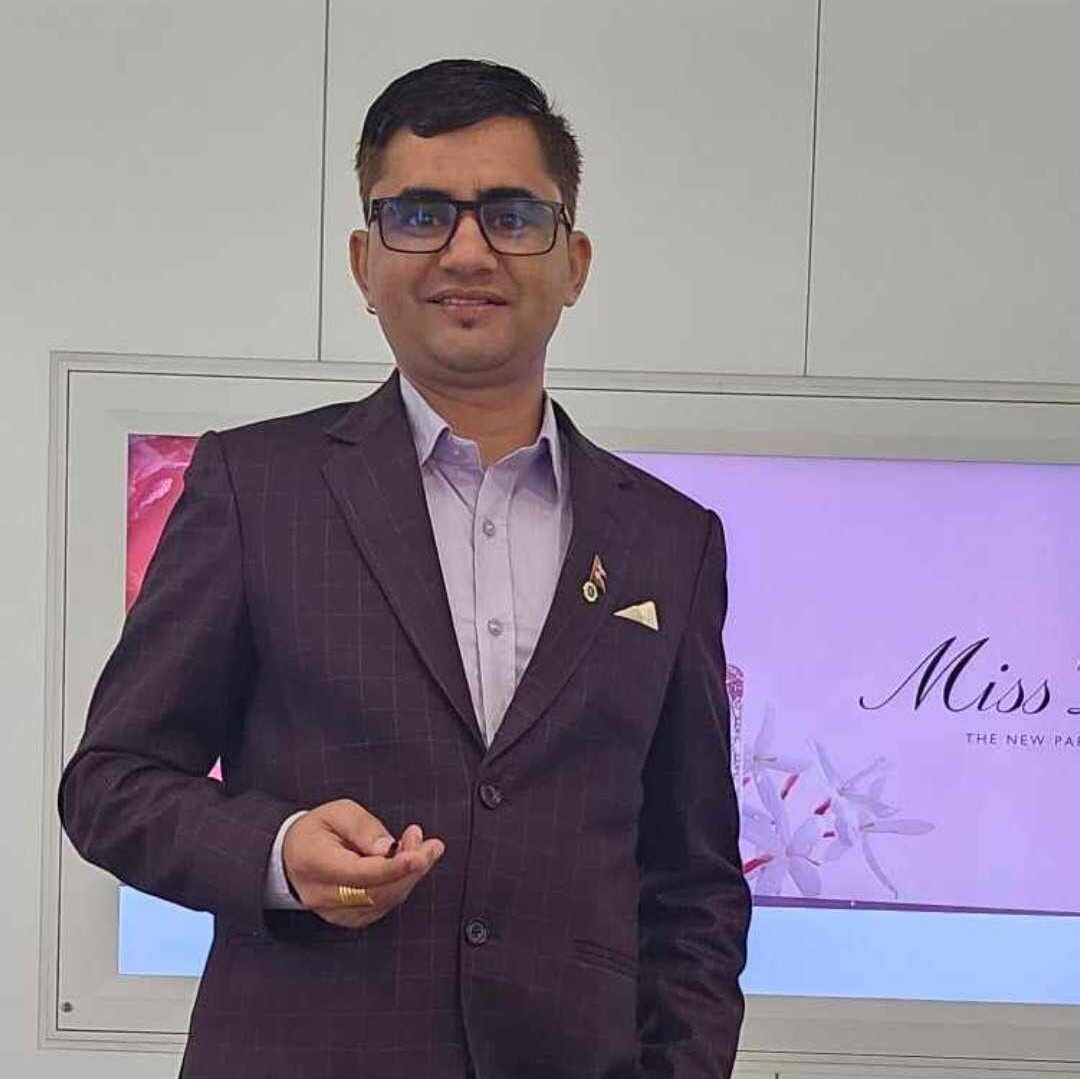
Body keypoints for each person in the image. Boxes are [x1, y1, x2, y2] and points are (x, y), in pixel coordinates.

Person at [58, 57, 751, 1079]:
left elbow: (693, 883)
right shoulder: (257, 488)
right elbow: (110, 784)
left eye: (512, 215)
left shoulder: (669, 539)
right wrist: (279, 851)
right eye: (421, 215)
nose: (468, 250)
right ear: (363, 259)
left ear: (574, 261)